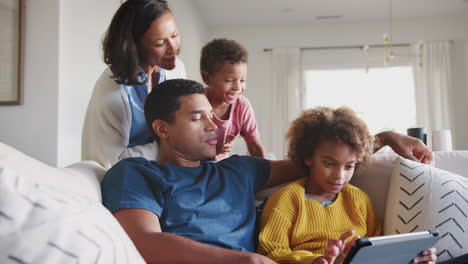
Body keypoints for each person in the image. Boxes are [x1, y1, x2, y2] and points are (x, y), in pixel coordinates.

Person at [101, 79, 435, 264]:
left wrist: (388, 137)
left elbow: (319, 158)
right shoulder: (136, 173)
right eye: (196, 118)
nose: (213, 125)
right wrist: (244, 263)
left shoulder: (239, 170)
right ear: (162, 128)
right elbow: (144, 241)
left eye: (211, 115)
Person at [257, 107, 437, 264]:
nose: (339, 176)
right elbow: (272, 253)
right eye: (329, 164)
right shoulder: (285, 200)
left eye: (349, 166)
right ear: (308, 157)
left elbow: (377, 250)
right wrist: (317, 261)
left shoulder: (358, 199)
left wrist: (409, 259)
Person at [81, 0, 186, 169]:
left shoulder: (176, 70)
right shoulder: (112, 92)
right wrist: (169, 147)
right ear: (134, 46)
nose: (172, 49)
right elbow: (111, 163)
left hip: (164, 172)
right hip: (122, 179)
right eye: (159, 43)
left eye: (174, 35)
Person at [200, 38, 266, 160]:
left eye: (242, 80)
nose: (237, 87)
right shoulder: (196, 102)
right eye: (229, 81)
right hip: (195, 163)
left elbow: (254, 145)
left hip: (220, 164)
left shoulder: (242, 106)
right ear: (207, 78)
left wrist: (267, 174)